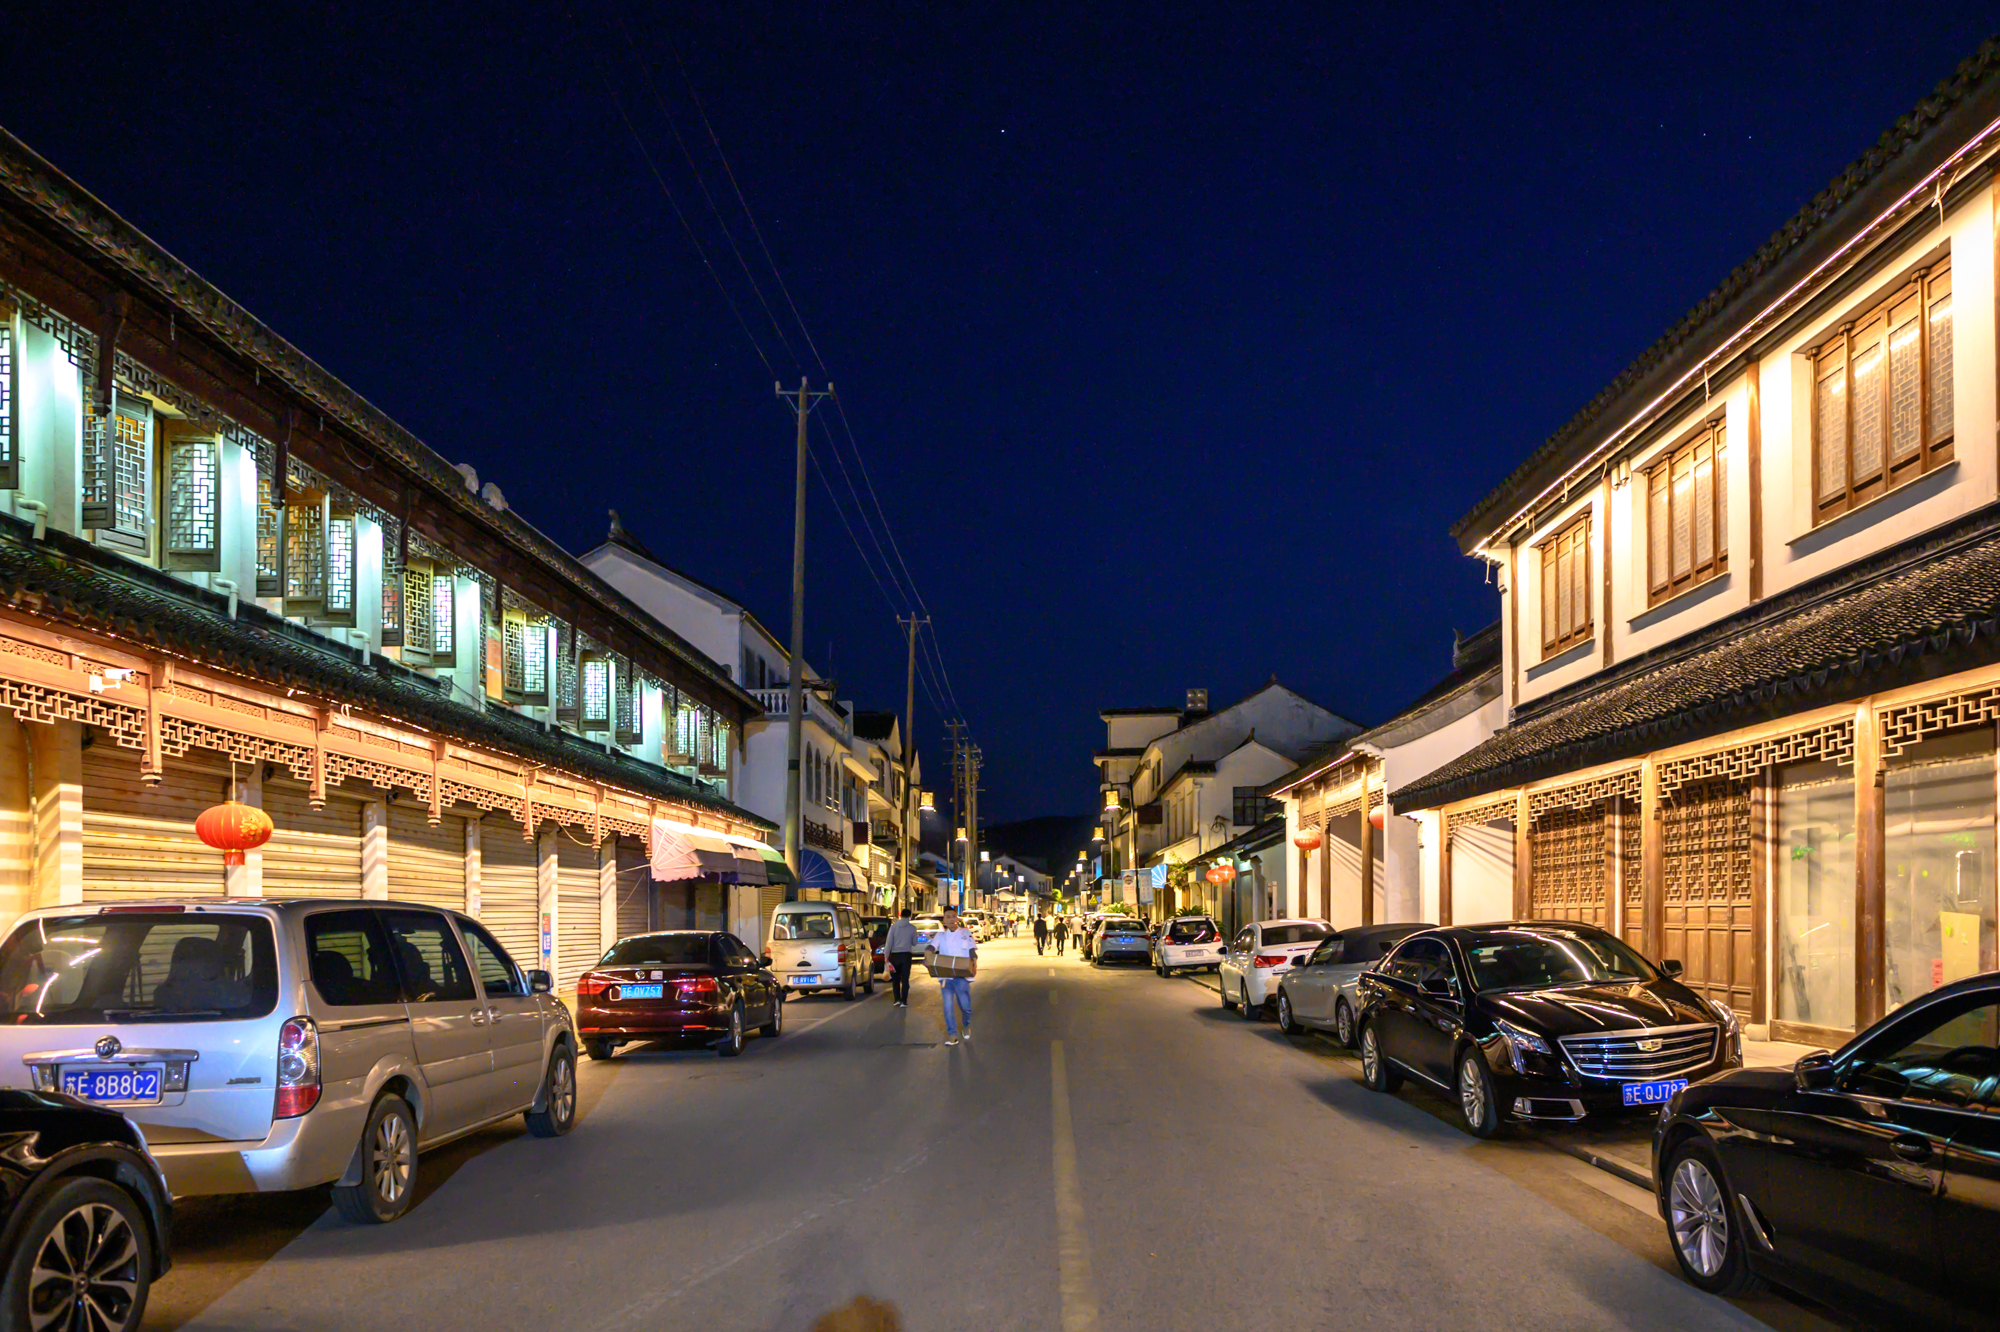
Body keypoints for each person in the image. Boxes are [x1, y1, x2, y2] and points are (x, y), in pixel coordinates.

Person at [930, 906, 978, 1046]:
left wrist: (973, 960)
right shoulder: (940, 936)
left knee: (965, 1006)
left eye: (953, 916)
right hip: (946, 977)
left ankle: (966, 1024)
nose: (951, 919)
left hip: (961, 977)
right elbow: (932, 948)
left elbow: (971, 949)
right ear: (944, 920)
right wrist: (928, 954)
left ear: (957, 918)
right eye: (948, 917)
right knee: (948, 1006)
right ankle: (952, 1034)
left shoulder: (965, 932)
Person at [884, 908, 920, 1008]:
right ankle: (904, 1001)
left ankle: (896, 1000)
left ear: (900, 915)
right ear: (910, 916)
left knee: (895, 978)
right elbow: (914, 943)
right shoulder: (912, 928)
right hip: (907, 955)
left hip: (895, 955)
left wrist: (886, 956)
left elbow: (889, 942)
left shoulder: (893, 927)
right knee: (905, 979)